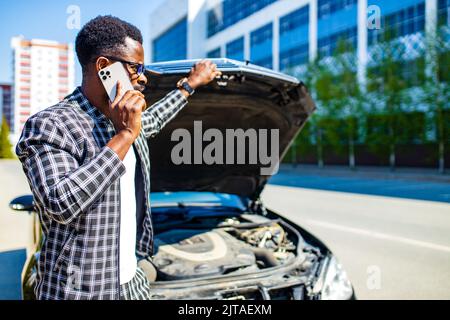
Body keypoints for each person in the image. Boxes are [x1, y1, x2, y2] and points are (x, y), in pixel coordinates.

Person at [16, 15, 221, 300]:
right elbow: (60, 202)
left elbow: (156, 119)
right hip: (78, 292)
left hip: (132, 284)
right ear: (104, 67)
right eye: (136, 68)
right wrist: (124, 136)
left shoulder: (128, 119)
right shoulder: (52, 125)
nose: (143, 77)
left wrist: (190, 84)